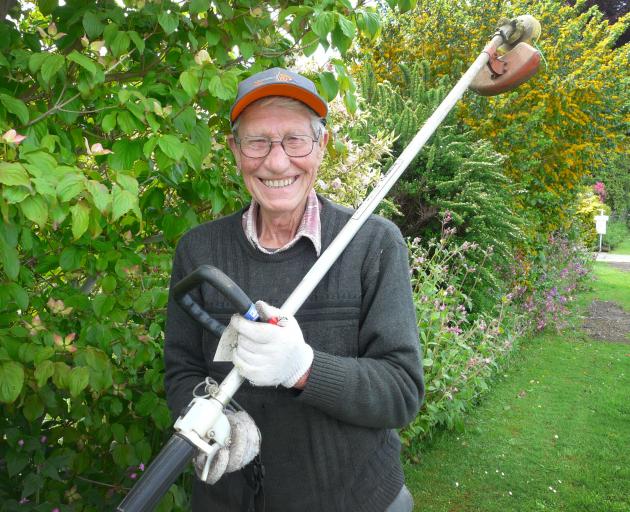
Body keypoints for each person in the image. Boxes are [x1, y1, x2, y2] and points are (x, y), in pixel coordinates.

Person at [164, 67, 424, 512]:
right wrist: (215, 420)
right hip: (228, 502)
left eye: (294, 140)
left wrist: (304, 368)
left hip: (351, 500)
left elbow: (400, 392)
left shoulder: (372, 244)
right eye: (257, 141)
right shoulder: (199, 250)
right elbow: (182, 370)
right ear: (235, 150)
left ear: (321, 146)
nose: (277, 161)